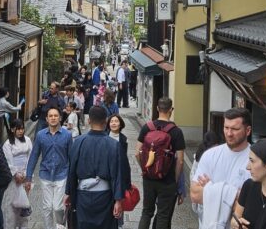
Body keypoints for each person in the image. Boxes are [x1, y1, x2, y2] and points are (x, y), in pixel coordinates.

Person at [191, 108, 253, 229]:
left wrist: (211, 188)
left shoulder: (255, 160)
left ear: (248, 130)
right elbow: (195, 195)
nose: (229, 133)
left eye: (235, 129)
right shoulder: (210, 155)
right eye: (226, 128)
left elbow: (253, 205)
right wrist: (236, 195)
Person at [67, 106, 126, 229]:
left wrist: (68, 193)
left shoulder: (79, 141)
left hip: (83, 195)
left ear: (89, 121)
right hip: (105, 195)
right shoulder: (113, 144)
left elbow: (71, 171)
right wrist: (118, 200)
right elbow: (117, 174)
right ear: (105, 122)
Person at [136, 97, 186, 229]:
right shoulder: (176, 131)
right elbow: (180, 160)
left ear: (157, 108)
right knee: (163, 215)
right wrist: (175, 179)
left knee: (146, 212)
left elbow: (137, 152)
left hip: (149, 178)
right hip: (167, 179)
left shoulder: (147, 127)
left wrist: (144, 169)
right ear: (171, 110)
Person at [26, 107, 72, 229]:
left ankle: (61, 226)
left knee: (58, 207)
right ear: (46, 119)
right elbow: (34, 156)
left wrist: (73, 178)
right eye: (50, 116)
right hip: (45, 174)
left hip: (62, 174)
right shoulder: (41, 135)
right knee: (47, 207)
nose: (53, 118)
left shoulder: (67, 135)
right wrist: (29, 177)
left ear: (60, 118)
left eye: (55, 116)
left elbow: (72, 158)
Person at [3, 117, 33, 229]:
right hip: (13, 178)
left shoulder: (28, 140)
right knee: (11, 205)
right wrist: (15, 174)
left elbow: (31, 157)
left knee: (24, 204)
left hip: (25, 175)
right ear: (12, 129)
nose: (21, 131)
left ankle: (24, 226)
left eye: (22, 129)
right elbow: (8, 161)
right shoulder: (7, 144)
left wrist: (27, 173)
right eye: (18, 129)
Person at [108, 114, 133, 228]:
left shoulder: (123, 139)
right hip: (107, 173)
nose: (113, 123)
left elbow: (124, 160)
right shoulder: (105, 137)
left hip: (120, 174)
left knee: (119, 200)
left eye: (116, 121)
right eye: (112, 121)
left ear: (120, 124)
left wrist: (127, 181)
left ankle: (118, 224)